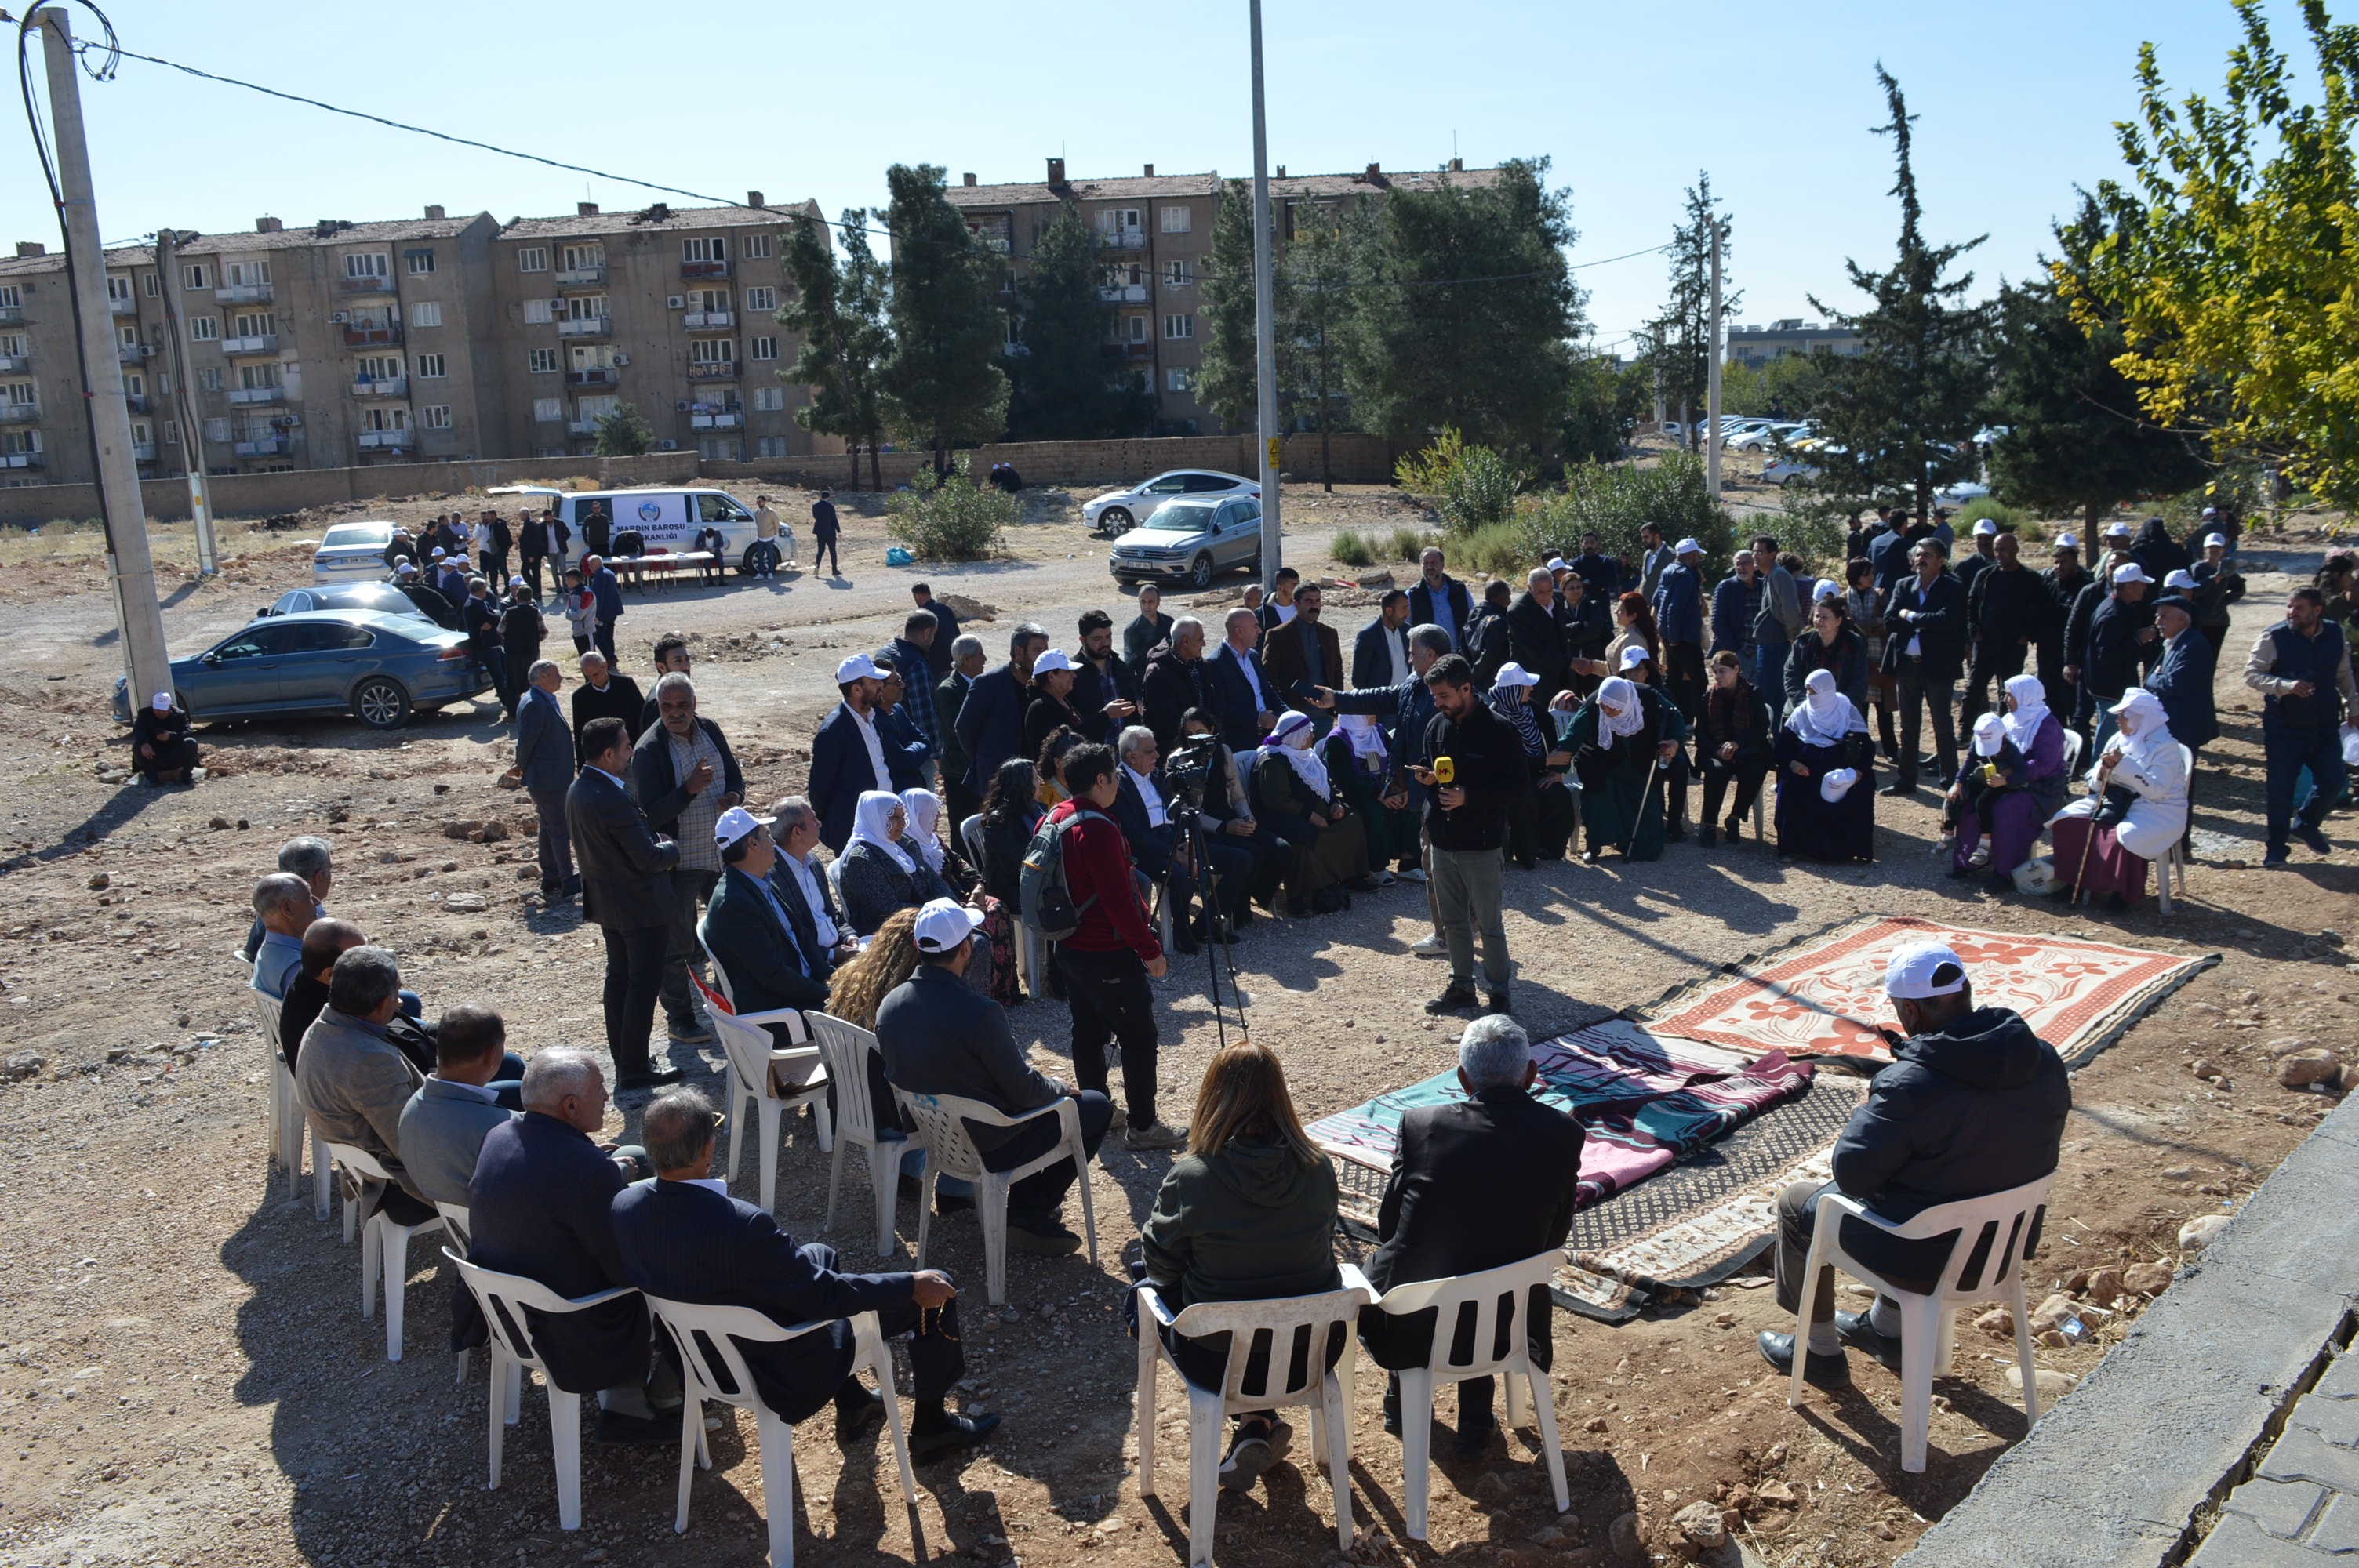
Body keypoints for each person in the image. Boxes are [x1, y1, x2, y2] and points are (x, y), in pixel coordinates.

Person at [609, 1086, 998, 1463]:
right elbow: (823, 1296)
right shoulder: (741, 1224)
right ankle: (931, 1428)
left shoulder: (625, 1205)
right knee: (934, 1290)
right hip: (773, 1366)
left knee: (820, 1254)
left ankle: (854, 1403)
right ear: (708, 1151)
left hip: (699, 1359)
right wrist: (910, 1284)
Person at [1757, 941, 2071, 1385]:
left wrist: (1869, 1116)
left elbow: (1853, 1176)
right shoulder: (2043, 1057)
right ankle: (1886, 1331)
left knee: (1799, 1203)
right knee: (1930, 1184)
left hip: (1928, 1257)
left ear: (1911, 1011)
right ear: (1965, 992)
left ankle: (1818, 1351)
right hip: (2004, 1246)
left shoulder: (1910, 1084)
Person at [1358, 1015, 1583, 1457]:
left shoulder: (1422, 1125)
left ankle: (1401, 1397)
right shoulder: (1564, 1133)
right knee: (1487, 1273)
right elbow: (1554, 1236)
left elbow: (1391, 1226)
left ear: (1462, 1079)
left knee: (1397, 1266)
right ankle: (1476, 1417)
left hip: (1417, 1327)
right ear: (1531, 1076)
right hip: (1512, 1324)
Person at [1136, 1041, 1342, 1492]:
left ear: (1213, 1097)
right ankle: (1257, 1422)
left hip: (1221, 1362)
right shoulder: (1319, 1166)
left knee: (1140, 1285)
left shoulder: (1193, 1175)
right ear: (1282, 1098)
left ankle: (1254, 1422)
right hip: (1312, 1353)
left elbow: (1161, 1267)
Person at [878, 898, 1113, 1252]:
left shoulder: (890, 1004)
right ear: (967, 949)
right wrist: (1060, 1086)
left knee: (1042, 1103)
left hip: (936, 1139)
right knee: (1095, 1106)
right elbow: (1025, 1092)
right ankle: (1028, 1210)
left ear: (917, 946)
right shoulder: (979, 1012)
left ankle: (1024, 1210)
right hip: (991, 1144)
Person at [468, 1048, 674, 1445]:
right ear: (571, 1105)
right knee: (686, 1266)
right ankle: (653, 1401)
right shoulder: (585, 1172)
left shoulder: (499, 1135)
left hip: (508, 1312)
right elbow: (623, 1270)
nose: (607, 1097)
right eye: (600, 1089)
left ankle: (626, 1396)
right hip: (573, 1327)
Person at [1045, 743, 1183, 1150]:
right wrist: (1149, 949)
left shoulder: (1055, 816)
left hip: (1068, 948)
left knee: (1087, 1033)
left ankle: (1097, 1113)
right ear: (1101, 780)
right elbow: (1118, 901)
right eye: (1115, 775)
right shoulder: (1099, 828)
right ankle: (1143, 1127)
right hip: (1106, 951)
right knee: (1138, 1037)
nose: (1119, 781)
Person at [567, 717, 684, 1092]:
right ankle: (633, 1067)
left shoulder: (580, 789)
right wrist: (671, 848)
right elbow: (648, 858)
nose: (631, 752)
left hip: (611, 905)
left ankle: (625, 1058)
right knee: (641, 986)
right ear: (607, 754)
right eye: (626, 746)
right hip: (639, 907)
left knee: (619, 981)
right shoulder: (612, 797)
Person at [1408, 653, 1528, 1014]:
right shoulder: (1436, 726)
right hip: (1443, 843)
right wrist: (1428, 780)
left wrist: (1469, 797)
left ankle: (1500, 993)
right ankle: (1461, 987)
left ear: (1466, 689)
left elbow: (1519, 787)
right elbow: (1434, 774)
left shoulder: (1500, 730)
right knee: (1453, 923)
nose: (1438, 703)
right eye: (1434, 696)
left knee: (1489, 925)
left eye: (1444, 695)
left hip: (1481, 845)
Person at [634, 674, 743, 1047]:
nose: (675, 714)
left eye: (682, 706)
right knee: (677, 948)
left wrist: (733, 795)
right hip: (681, 863)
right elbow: (648, 813)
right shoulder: (650, 750)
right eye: (667, 707)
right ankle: (680, 1019)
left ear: (694, 704)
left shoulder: (709, 729)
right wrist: (688, 790)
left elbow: (736, 776)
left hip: (721, 855)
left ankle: (730, 1006)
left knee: (729, 935)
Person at [293, 946, 433, 1227]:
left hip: (365, 1167)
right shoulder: (370, 1062)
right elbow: (412, 1148)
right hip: (399, 1190)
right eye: (397, 994)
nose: (400, 1003)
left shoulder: (323, 1026)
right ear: (382, 1004)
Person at [1115, 725, 1256, 949]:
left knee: (1242, 859)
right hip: (1147, 849)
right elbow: (1135, 835)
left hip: (1175, 836)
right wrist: (1178, 855)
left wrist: (1187, 842)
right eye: (1150, 751)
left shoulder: (1159, 777)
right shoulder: (1118, 785)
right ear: (1132, 756)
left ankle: (1205, 926)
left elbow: (1181, 811)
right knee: (1181, 874)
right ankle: (1181, 931)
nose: (1157, 755)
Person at [2244, 586, 2355, 866]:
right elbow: (2252, 674)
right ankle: (2277, 849)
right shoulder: (2274, 636)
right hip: (2285, 728)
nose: (2292, 612)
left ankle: (2306, 823)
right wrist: (2285, 686)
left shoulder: (2334, 633)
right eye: (2290, 606)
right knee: (2280, 791)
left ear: (2317, 610)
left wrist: (2355, 707)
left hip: (2325, 725)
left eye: (2299, 607)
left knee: (2333, 781)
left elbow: (2343, 673)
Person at [2048, 690, 2191, 908]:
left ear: (2141, 717)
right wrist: (2102, 772)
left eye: (2124, 715)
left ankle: (2121, 893)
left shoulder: (2166, 747)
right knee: (2067, 821)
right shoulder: (2118, 739)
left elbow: (2156, 791)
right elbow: (2093, 783)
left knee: (2124, 836)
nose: (2118, 719)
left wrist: (2124, 765)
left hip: (2156, 807)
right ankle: (2075, 883)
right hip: (2113, 799)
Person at [703, 806, 831, 1036]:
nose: (773, 842)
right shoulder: (734, 904)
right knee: (862, 1018)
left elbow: (800, 936)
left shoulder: (762, 880)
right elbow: (773, 975)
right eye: (767, 836)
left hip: (799, 990)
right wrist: (826, 993)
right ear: (752, 845)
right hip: (778, 1008)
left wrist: (830, 976)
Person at [1251, 711, 1378, 916]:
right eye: (1308, 732)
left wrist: (1336, 803)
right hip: (1284, 816)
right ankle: (1298, 896)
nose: (1312, 736)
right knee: (1304, 834)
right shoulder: (1273, 760)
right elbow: (1277, 800)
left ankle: (1350, 876)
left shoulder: (1306, 755)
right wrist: (1309, 815)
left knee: (1352, 818)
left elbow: (1326, 785)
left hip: (1315, 809)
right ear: (1295, 735)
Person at [397, 1004, 522, 1209]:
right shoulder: (503, 1128)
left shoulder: (413, 1103)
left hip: (450, 1219)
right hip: (494, 1231)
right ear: (491, 1055)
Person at [1948, 673, 2066, 886]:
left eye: (2010, 695)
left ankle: (2005, 871)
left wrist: (2008, 777)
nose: (2005, 700)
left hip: (2040, 788)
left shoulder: (2049, 727)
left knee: (2006, 810)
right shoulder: (2009, 719)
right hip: (2008, 781)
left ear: (2025, 696)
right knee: (1971, 805)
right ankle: (1968, 861)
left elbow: (2044, 765)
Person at [1878, 538, 1964, 797]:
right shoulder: (1904, 585)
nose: (1920, 559)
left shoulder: (1953, 587)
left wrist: (1911, 616)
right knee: (1908, 726)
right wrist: (1922, 621)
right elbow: (1890, 620)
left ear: (1941, 560)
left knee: (1943, 727)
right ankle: (1906, 780)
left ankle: (1951, 783)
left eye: (1927, 555)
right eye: (1918, 554)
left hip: (1938, 667)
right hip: (1907, 666)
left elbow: (1946, 620)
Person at [1562, 675, 1670, 865]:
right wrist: (1557, 769)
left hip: (1637, 763)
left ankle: (1632, 843)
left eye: (1613, 706)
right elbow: (1572, 736)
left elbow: (1674, 715)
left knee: (1644, 814)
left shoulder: (1648, 696)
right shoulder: (1595, 704)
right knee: (1596, 799)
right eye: (1604, 705)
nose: (1608, 710)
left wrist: (1674, 741)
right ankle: (1593, 844)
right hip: (1599, 761)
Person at [1774, 668, 1877, 864]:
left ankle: (1852, 849)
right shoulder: (1802, 712)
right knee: (1791, 784)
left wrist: (1859, 771)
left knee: (1862, 787)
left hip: (1840, 765)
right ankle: (1791, 847)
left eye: (1814, 691)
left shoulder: (1846, 710)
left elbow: (1867, 746)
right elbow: (1782, 747)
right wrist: (1793, 763)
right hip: (1807, 766)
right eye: (1808, 691)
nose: (1810, 696)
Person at [1487, 664, 1575, 868]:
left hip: (1537, 774)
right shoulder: (1492, 719)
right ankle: (1526, 855)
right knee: (1525, 800)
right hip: (1506, 781)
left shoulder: (1536, 710)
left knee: (1558, 795)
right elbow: (1503, 763)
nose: (1531, 689)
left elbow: (1554, 747)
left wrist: (1556, 772)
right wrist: (1545, 762)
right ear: (1513, 690)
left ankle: (1550, 850)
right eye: (1526, 686)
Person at [838, 791, 958, 937]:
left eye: (903, 816)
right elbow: (889, 910)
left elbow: (934, 880)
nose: (903, 823)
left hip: (927, 919)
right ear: (875, 819)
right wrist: (938, 915)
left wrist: (951, 905)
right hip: (893, 932)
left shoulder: (904, 843)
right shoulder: (862, 859)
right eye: (894, 817)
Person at [766, 796, 860, 982]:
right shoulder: (772, 876)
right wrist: (831, 955)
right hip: (813, 966)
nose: (819, 824)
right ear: (797, 832)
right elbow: (790, 936)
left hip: (838, 950)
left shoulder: (812, 862)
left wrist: (849, 935)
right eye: (813, 820)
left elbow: (829, 911)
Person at [505, 660, 576, 898]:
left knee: (549, 828)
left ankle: (552, 877)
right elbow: (526, 742)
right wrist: (520, 767)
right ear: (544, 676)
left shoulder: (539, 698)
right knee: (558, 830)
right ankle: (568, 881)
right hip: (547, 780)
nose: (561, 678)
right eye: (557, 674)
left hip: (549, 778)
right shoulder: (535, 703)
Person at [956, 623, 1049, 804]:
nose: (1044, 656)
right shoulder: (988, 684)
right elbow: (964, 729)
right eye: (1038, 650)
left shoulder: (1045, 684)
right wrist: (986, 757)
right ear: (1019, 652)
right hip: (999, 783)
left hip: (1037, 783)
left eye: (1046, 650)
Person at [1961, 531, 2045, 729]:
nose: (1999, 554)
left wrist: (2026, 636)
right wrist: (1975, 632)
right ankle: (1965, 731)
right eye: (1996, 550)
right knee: (1974, 688)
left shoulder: (2030, 578)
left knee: (2008, 691)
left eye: (2004, 550)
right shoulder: (1985, 576)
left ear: (2015, 550)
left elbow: (2038, 611)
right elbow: (1971, 605)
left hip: (2013, 646)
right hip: (1985, 644)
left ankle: (2006, 732)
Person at [2085, 564, 2161, 755]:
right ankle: (2097, 780)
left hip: (2108, 684)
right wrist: (2138, 640)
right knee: (2107, 738)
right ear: (2129, 587)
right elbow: (2107, 654)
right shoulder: (2112, 614)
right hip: (2110, 688)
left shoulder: (2119, 607)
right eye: (2141, 584)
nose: (2145, 588)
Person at [2144, 593, 2219, 762]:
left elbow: (2173, 685)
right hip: (2173, 725)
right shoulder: (2176, 641)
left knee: (2181, 781)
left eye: (2164, 617)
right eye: (2157, 617)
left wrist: (2154, 677)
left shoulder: (2193, 646)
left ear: (2182, 619)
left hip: (2185, 726)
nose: (2158, 622)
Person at [1261, 583, 1344, 724]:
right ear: (1296, 604)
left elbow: (1337, 671)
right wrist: (1283, 710)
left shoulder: (1329, 634)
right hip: (1294, 716)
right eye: (1308, 601)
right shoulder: (1279, 635)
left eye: (1318, 601)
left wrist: (1337, 704)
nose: (1315, 606)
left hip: (1324, 715)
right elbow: (1269, 677)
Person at [1783, 590, 1870, 720]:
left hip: (1840, 709)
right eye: (1817, 616)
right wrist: (1804, 704)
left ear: (1839, 621)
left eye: (1825, 617)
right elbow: (1790, 676)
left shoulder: (1854, 644)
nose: (1819, 621)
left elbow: (1859, 682)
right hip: (1805, 707)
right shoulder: (1803, 643)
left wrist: (1839, 707)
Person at [1139, 616, 1218, 753]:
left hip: (1207, 747)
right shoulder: (1158, 673)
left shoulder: (1200, 665)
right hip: (1178, 754)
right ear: (1186, 641)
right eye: (1200, 639)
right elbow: (1166, 724)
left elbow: (1214, 705)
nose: (1204, 644)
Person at [1208, 608, 1278, 756]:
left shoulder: (1253, 656)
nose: (1260, 631)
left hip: (1267, 738)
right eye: (1255, 626)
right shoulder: (1215, 663)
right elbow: (1220, 709)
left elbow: (1268, 692)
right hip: (1240, 744)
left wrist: (1291, 716)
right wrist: (1258, 718)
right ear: (1239, 631)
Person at [1652, 538, 1708, 721]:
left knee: (1673, 679)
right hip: (1683, 637)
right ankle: (1698, 722)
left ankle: (1667, 718)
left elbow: (1657, 601)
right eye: (1697, 555)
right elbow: (1674, 609)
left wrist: (1666, 635)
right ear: (1691, 555)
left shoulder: (1667, 572)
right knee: (1700, 680)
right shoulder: (1686, 576)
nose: (1698, 558)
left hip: (1669, 636)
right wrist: (1675, 638)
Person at [935, 635, 989, 826]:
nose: (985, 659)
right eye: (980, 654)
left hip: (981, 768)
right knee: (963, 824)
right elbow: (959, 727)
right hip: (960, 772)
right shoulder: (948, 690)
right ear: (966, 659)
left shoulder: (983, 684)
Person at [1506, 567, 1572, 711]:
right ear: (1530, 588)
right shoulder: (1518, 611)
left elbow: (1560, 633)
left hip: (1562, 673)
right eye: (1541, 592)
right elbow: (1535, 650)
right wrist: (1570, 662)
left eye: (1549, 590)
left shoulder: (1558, 599)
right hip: (1536, 680)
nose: (1546, 596)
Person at [1750, 534, 1805, 697]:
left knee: (1773, 694)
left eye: (1760, 552)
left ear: (1772, 555)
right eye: (1754, 552)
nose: (1755, 556)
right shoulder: (1768, 576)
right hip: (1768, 643)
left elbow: (1790, 610)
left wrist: (1791, 636)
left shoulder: (1779, 575)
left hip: (1778, 644)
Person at [569, 652, 645, 763]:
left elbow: (642, 718)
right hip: (602, 760)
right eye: (588, 677)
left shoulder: (626, 685)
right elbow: (581, 734)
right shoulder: (580, 697)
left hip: (630, 755)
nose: (593, 680)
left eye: (596, 675)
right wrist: (582, 766)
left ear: (604, 666)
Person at [249, 873, 315, 999]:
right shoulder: (298, 967)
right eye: (309, 897)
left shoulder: (267, 952)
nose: (317, 903)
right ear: (287, 909)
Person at [461, 577, 512, 718]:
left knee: (504, 672)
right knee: (499, 676)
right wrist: (495, 617)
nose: (486, 591)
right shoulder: (473, 605)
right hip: (485, 647)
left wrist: (494, 617)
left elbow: (495, 616)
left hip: (493, 645)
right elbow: (496, 618)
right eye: (484, 588)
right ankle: (508, 703)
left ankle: (509, 699)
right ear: (479, 590)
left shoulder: (480, 601)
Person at [1022, 648, 1087, 758]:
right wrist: (1105, 716)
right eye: (1067, 671)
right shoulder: (1042, 708)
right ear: (1052, 676)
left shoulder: (1062, 699)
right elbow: (1069, 743)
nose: (1074, 675)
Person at [497, 581, 548, 720]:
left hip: (512, 654)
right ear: (530, 598)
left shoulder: (509, 612)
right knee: (532, 682)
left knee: (512, 684)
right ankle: (532, 712)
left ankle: (513, 715)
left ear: (517, 598)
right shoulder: (535, 612)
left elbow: (500, 630)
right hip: (531, 653)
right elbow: (543, 632)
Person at [1408, 547, 1474, 653]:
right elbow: (1405, 629)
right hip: (1427, 658)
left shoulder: (1460, 590)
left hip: (1459, 654)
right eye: (1426, 563)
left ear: (1443, 565)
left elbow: (1473, 620)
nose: (1430, 567)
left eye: (1434, 563)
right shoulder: (1413, 594)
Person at [2190, 533, 2243, 657]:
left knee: (2211, 659)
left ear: (2223, 550)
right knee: (2196, 658)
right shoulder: (2198, 568)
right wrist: (2213, 580)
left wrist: (2223, 601)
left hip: (2219, 622)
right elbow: (2193, 592)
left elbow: (2240, 587)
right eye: (2211, 547)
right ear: (2206, 549)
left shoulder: (2226, 569)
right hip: (2199, 621)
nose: (2214, 550)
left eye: (2218, 547)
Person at [1710, 548, 1762, 671]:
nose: (1741, 567)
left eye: (1746, 563)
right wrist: (1734, 650)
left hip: (1762, 652)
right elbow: (1718, 623)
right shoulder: (1726, 587)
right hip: (1740, 654)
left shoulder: (1763, 585)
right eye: (1738, 564)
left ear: (1754, 564)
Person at [1353, 590, 1414, 691]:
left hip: (1403, 698)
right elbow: (1359, 681)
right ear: (1389, 611)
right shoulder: (1368, 636)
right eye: (1404, 608)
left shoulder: (1408, 632)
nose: (1408, 613)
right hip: (1379, 702)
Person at [1465, 578, 1515, 686]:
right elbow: (1489, 656)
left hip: (1475, 676)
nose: (1510, 601)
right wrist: (1473, 676)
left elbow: (1464, 644)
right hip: (1491, 682)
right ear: (1501, 597)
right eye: (1508, 596)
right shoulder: (1499, 622)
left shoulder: (1475, 612)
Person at [1123, 584, 1174, 677]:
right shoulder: (1132, 630)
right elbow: (1129, 668)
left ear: (1158, 602)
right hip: (1147, 681)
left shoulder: (1169, 622)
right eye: (1143, 601)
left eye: (1151, 601)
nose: (1146, 606)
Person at [907, 583, 958, 677]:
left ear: (917, 595)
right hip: (952, 666)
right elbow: (957, 635)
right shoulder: (946, 609)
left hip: (934, 668)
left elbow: (918, 643)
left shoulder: (922, 615)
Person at [584, 554, 624, 666]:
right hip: (612, 610)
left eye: (592, 564)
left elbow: (599, 598)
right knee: (608, 636)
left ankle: (611, 657)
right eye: (589, 564)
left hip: (604, 612)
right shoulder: (609, 573)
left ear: (599, 563)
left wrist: (595, 614)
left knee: (599, 637)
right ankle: (611, 657)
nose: (590, 567)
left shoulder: (601, 576)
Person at [394, 562, 460, 630]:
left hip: (446, 616)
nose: (413, 574)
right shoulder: (399, 586)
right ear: (406, 574)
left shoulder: (416, 591)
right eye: (411, 572)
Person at [560, 566, 597, 655]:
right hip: (576, 632)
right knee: (583, 660)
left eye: (566, 579)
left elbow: (579, 615)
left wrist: (572, 613)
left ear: (572, 579)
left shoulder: (587, 594)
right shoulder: (573, 593)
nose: (566, 582)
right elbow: (567, 614)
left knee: (591, 660)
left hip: (587, 632)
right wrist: (572, 614)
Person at [1257, 566, 1301, 633]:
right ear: (1280, 588)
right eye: (1294, 585)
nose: (1298, 589)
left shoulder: (1302, 606)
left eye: (1299, 585)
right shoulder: (1263, 613)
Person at [750, 494, 783, 577]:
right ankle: (761, 573)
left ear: (764, 502)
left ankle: (770, 573)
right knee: (760, 556)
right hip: (760, 538)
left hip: (769, 538)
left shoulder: (771, 512)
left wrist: (774, 533)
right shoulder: (757, 513)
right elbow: (758, 523)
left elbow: (776, 523)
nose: (759, 503)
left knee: (770, 556)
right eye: (757, 502)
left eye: (760, 501)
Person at [810, 488, 841, 576]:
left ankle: (817, 566)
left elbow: (815, 516)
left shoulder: (815, 505)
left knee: (820, 550)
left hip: (819, 531)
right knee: (832, 551)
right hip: (830, 532)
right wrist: (838, 531)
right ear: (828, 497)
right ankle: (834, 570)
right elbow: (834, 519)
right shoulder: (830, 507)